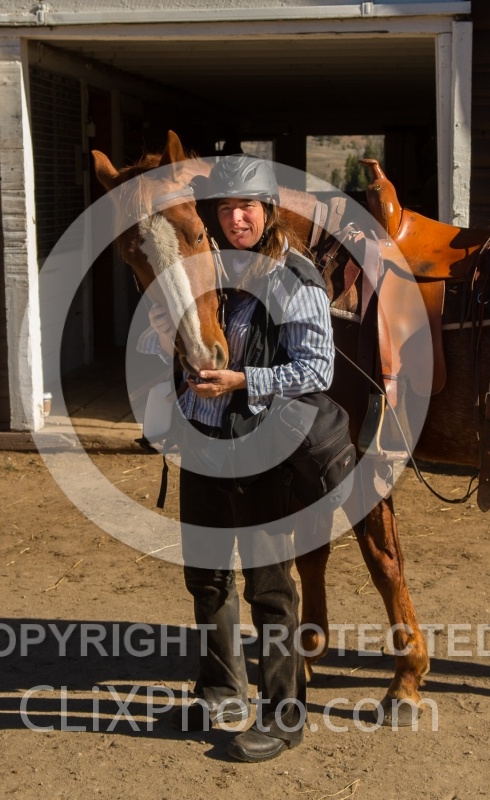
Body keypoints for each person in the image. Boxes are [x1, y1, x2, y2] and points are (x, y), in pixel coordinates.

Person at [142, 154, 335, 762]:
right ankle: (222, 692)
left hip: (262, 449)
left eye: (246, 206)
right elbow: (178, 339)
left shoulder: (295, 278)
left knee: (270, 587)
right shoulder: (210, 268)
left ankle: (284, 716)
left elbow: (317, 370)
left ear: (268, 209)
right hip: (202, 442)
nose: (236, 219)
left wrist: (243, 380)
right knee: (206, 577)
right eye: (225, 208)